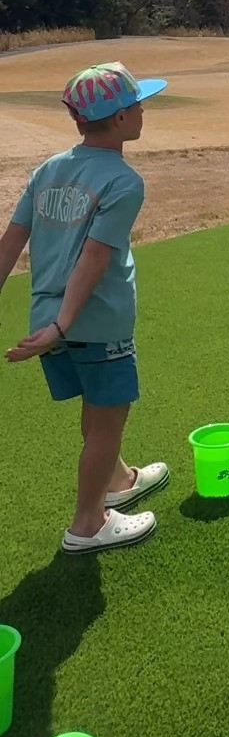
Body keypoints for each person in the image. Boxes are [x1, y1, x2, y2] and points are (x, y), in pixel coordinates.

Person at [0, 62, 170, 554]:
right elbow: (94, 258)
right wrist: (64, 323)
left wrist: (54, 325)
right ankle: (88, 523)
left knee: (96, 413)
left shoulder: (48, 170)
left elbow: (11, 242)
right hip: (91, 322)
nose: (142, 112)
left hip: (54, 324)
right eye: (137, 105)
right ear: (118, 119)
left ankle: (117, 480)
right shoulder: (124, 181)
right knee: (108, 418)